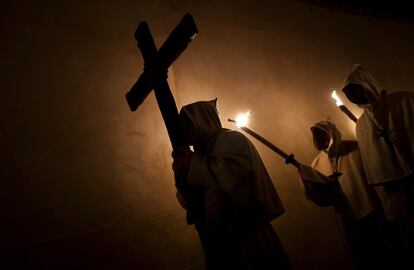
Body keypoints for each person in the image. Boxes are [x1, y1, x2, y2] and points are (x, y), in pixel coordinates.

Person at [172, 99, 292, 270]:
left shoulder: (231, 139)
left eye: (189, 124)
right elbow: (192, 202)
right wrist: (182, 179)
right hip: (220, 239)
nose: (186, 131)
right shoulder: (199, 153)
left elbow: (234, 175)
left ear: (202, 120)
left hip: (247, 233)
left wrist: (193, 164)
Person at [340, 64, 414, 268]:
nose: (354, 97)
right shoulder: (362, 125)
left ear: (367, 85)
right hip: (395, 191)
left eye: (356, 89)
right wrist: (387, 207)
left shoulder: (405, 101)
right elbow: (374, 166)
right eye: (349, 95)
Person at [298, 120, 389, 269]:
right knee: (361, 254)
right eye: (318, 136)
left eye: (324, 133)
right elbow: (316, 194)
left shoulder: (355, 147)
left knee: (383, 246)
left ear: (332, 133)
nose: (322, 138)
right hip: (346, 215)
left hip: (370, 206)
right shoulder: (316, 163)